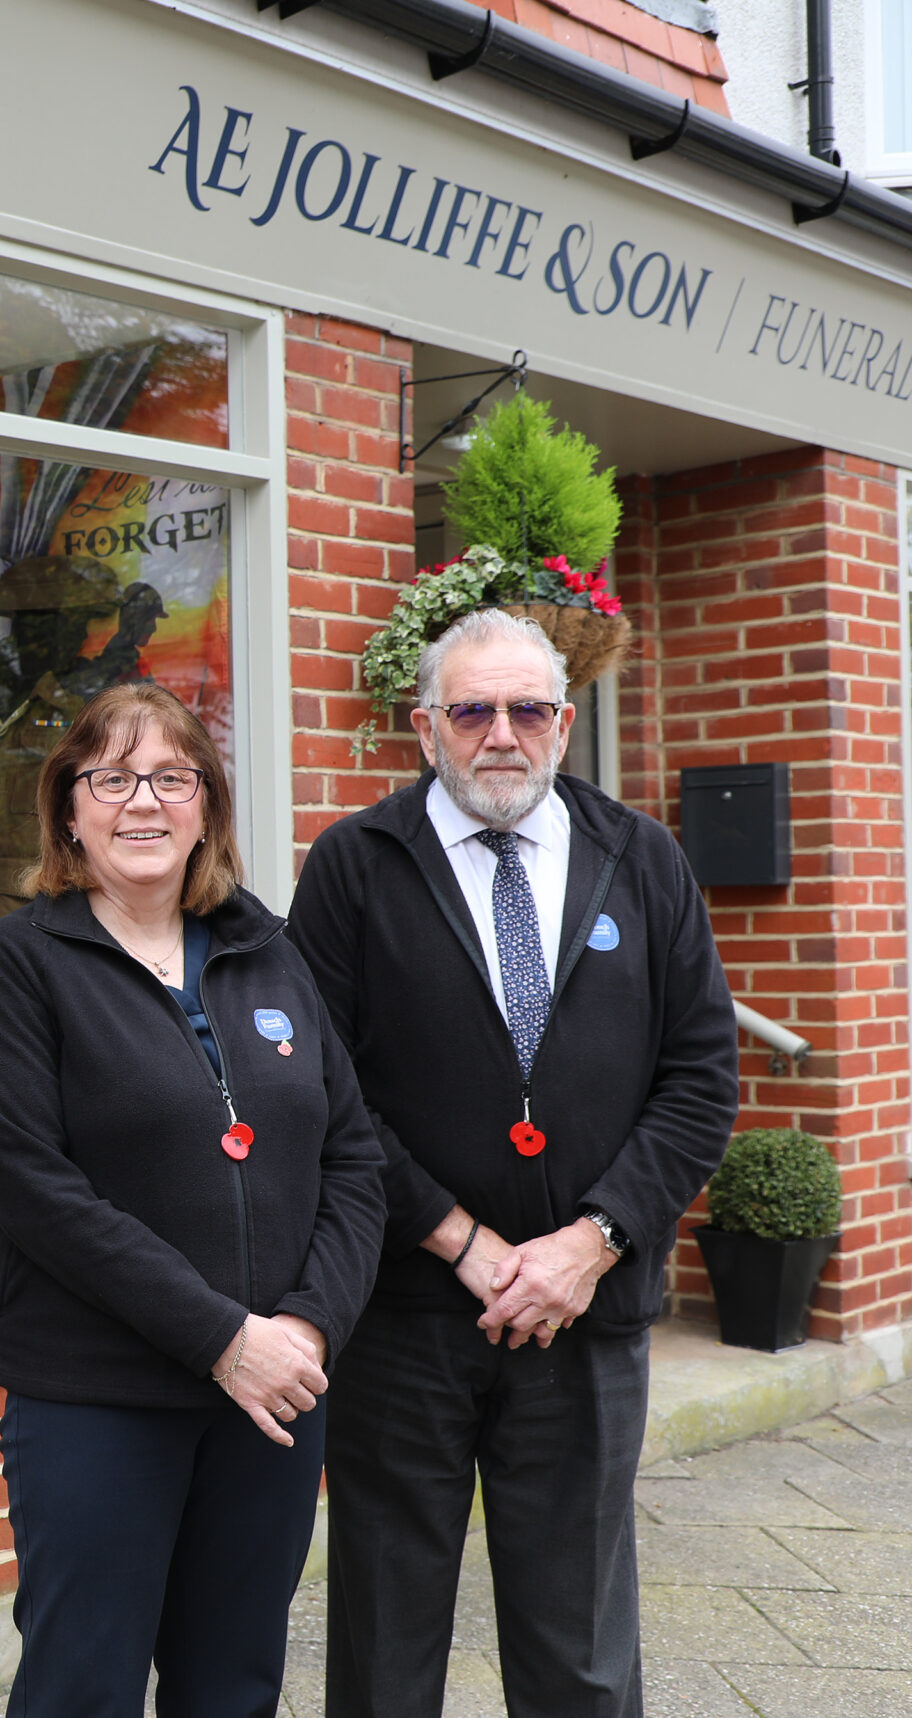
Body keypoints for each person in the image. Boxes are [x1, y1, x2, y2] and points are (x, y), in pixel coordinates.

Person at [286, 609, 738, 1718]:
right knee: (384, 1641)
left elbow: (700, 1075)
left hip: (586, 1312)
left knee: (579, 1645)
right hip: (402, 1315)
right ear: (424, 726)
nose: (501, 733)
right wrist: (460, 1239)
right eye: (472, 709)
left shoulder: (643, 858)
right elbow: (323, 1095)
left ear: (564, 722)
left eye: (526, 708)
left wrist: (593, 1241)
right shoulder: (354, 864)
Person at [0, 681, 388, 1718]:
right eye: (110, 777)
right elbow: (38, 1190)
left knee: (233, 1682)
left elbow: (353, 1159)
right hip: (95, 1399)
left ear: (207, 807)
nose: (140, 802)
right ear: (69, 807)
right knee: (82, 1686)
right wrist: (218, 1334)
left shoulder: (267, 950)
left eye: (170, 777)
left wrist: (305, 1325)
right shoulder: (21, 963)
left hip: (272, 1399)